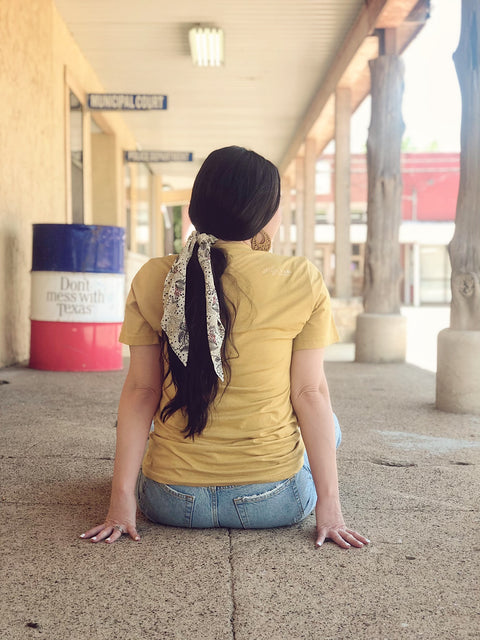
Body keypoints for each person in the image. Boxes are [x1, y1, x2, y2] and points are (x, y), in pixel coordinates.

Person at [81, 146, 369, 549]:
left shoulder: (153, 277)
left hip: (169, 500)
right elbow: (309, 393)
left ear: (198, 205)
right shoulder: (299, 277)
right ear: (266, 213)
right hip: (273, 501)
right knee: (329, 425)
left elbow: (141, 392)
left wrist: (120, 504)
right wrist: (330, 509)